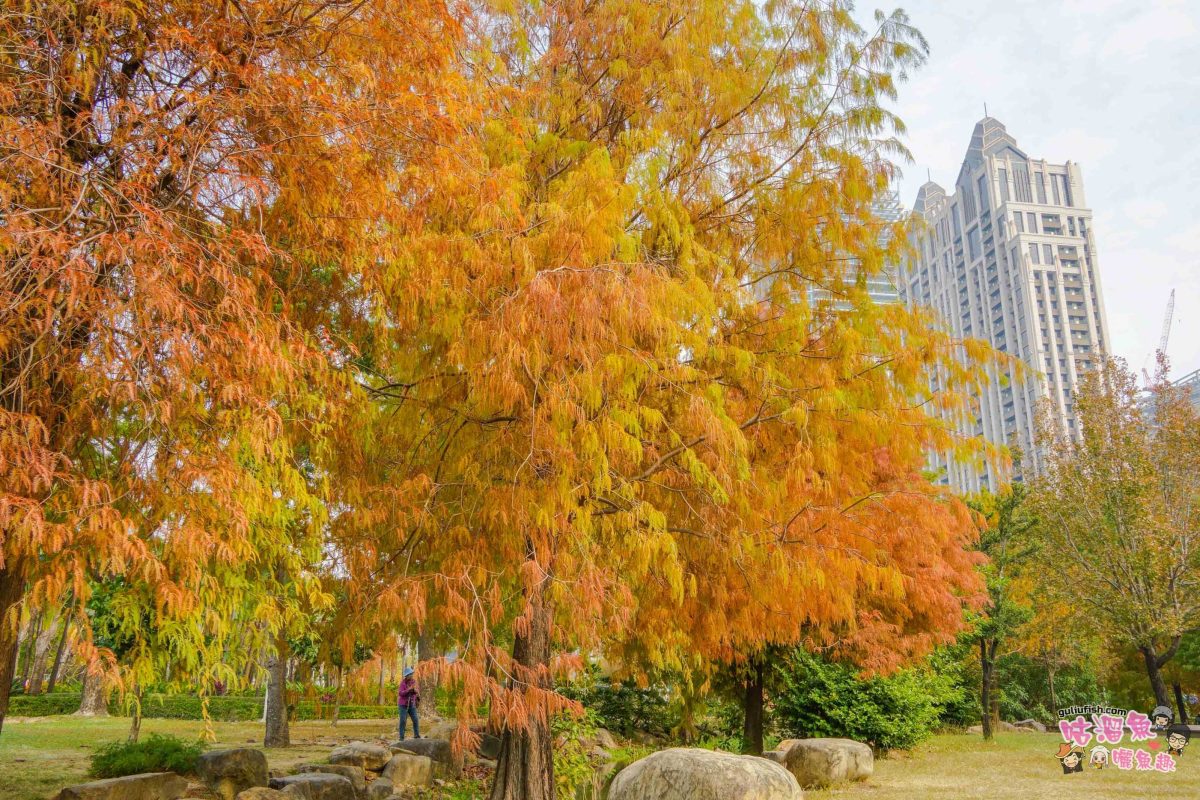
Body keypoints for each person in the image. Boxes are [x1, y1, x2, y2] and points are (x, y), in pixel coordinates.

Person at [398, 667, 421, 740]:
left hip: (412, 704)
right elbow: (400, 693)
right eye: (410, 674)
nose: (411, 675)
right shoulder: (402, 683)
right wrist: (408, 690)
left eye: (412, 674)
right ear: (406, 675)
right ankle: (401, 737)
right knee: (403, 720)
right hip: (403, 705)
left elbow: (417, 691)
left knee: (415, 719)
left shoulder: (414, 682)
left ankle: (416, 735)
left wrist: (415, 691)